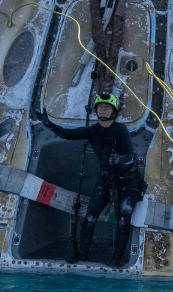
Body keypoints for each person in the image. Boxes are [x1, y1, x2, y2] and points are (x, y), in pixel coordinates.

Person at [38, 94, 143, 267]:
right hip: (107, 179)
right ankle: (81, 255)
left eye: (107, 107)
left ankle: (116, 258)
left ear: (114, 112)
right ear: (95, 110)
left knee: (124, 216)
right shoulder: (92, 131)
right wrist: (49, 124)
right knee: (89, 218)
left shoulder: (121, 130)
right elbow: (67, 134)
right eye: (100, 106)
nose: (103, 108)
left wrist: (120, 159)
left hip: (129, 180)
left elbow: (131, 156)